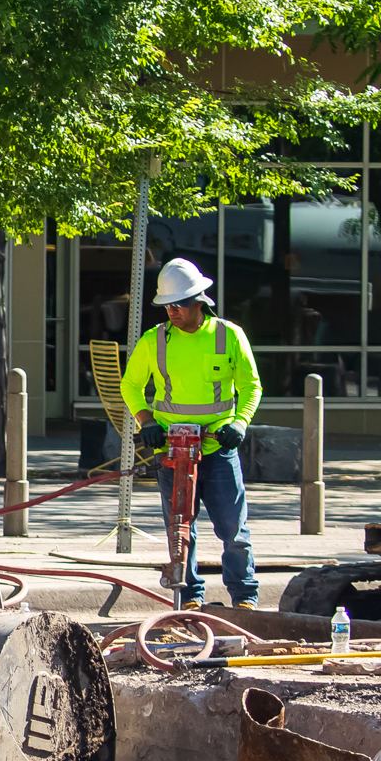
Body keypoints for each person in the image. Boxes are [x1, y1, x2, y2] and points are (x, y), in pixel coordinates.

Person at [120, 256, 263, 609]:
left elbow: (251, 386)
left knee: (233, 529)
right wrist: (147, 422)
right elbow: (131, 385)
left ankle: (244, 599)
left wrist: (239, 422)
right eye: (168, 304)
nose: (173, 311)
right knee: (180, 531)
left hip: (217, 448)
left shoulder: (229, 336)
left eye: (180, 303)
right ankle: (190, 599)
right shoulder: (156, 341)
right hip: (172, 450)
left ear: (200, 301)